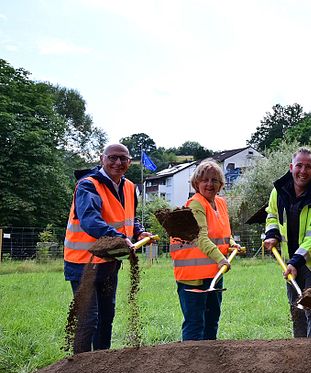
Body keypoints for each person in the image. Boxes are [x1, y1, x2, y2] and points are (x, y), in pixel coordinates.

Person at [63, 143, 153, 353]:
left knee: (106, 316)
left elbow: (126, 219)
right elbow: (90, 219)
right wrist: (119, 238)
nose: (117, 163)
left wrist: (139, 232)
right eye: (112, 158)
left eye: (123, 159)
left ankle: (103, 366)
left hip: (110, 262)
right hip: (82, 263)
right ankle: (81, 368)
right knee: (88, 319)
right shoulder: (88, 185)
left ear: (129, 163)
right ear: (102, 159)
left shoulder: (130, 187)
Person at [264, 147, 311, 338]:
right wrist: (272, 233)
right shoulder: (279, 191)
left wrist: (295, 262)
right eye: (299, 166)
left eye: (308, 167)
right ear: (291, 167)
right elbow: (272, 214)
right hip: (290, 261)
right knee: (296, 310)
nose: (302, 171)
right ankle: (299, 353)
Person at [170, 160, 239, 341]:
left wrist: (231, 243)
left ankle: (209, 363)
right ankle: (192, 364)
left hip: (214, 273)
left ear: (221, 184)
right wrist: (221, 258)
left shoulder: (221, 203)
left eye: (214, 180)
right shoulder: (194, 205)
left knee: (211, 320)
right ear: (196, 183)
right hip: (192, 275)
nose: (210, 184)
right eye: (205, 180)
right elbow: (200, 237)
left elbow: (220, 231)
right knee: (195, 323)